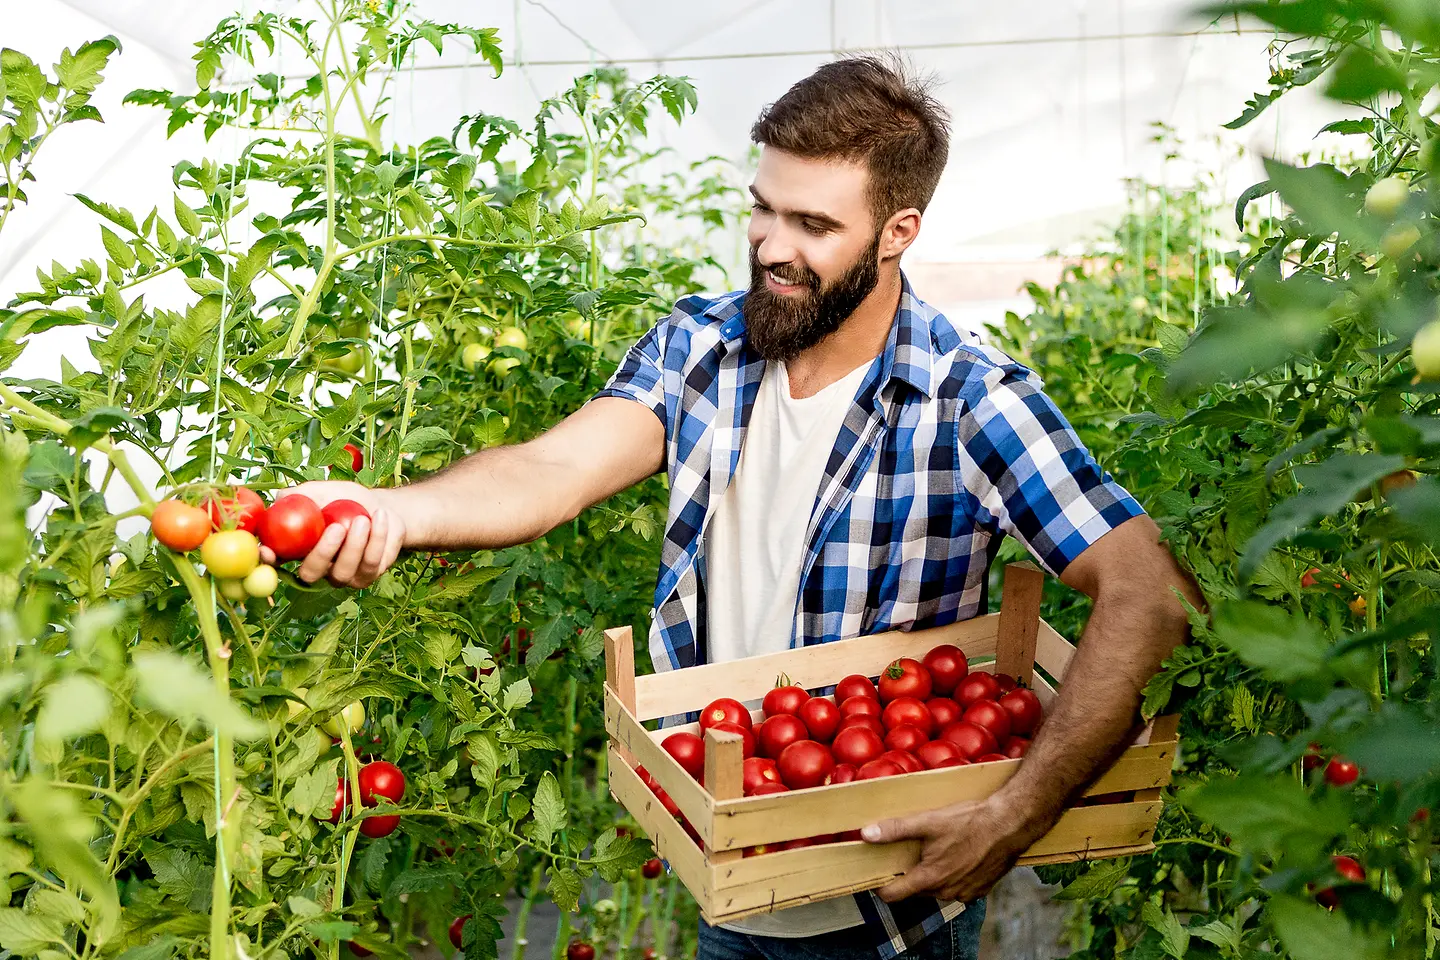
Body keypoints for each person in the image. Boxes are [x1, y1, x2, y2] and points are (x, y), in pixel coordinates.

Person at [268, 55, 1201, 960]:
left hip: (884, 915)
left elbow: (1149, 592)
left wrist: (1016, 813)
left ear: (897, 231)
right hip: (729, 866)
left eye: (812, 224)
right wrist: (391, 509)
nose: (771, 246)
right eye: (762, 206)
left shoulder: (967, 400)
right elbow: (552, 469)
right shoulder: (699, 350)